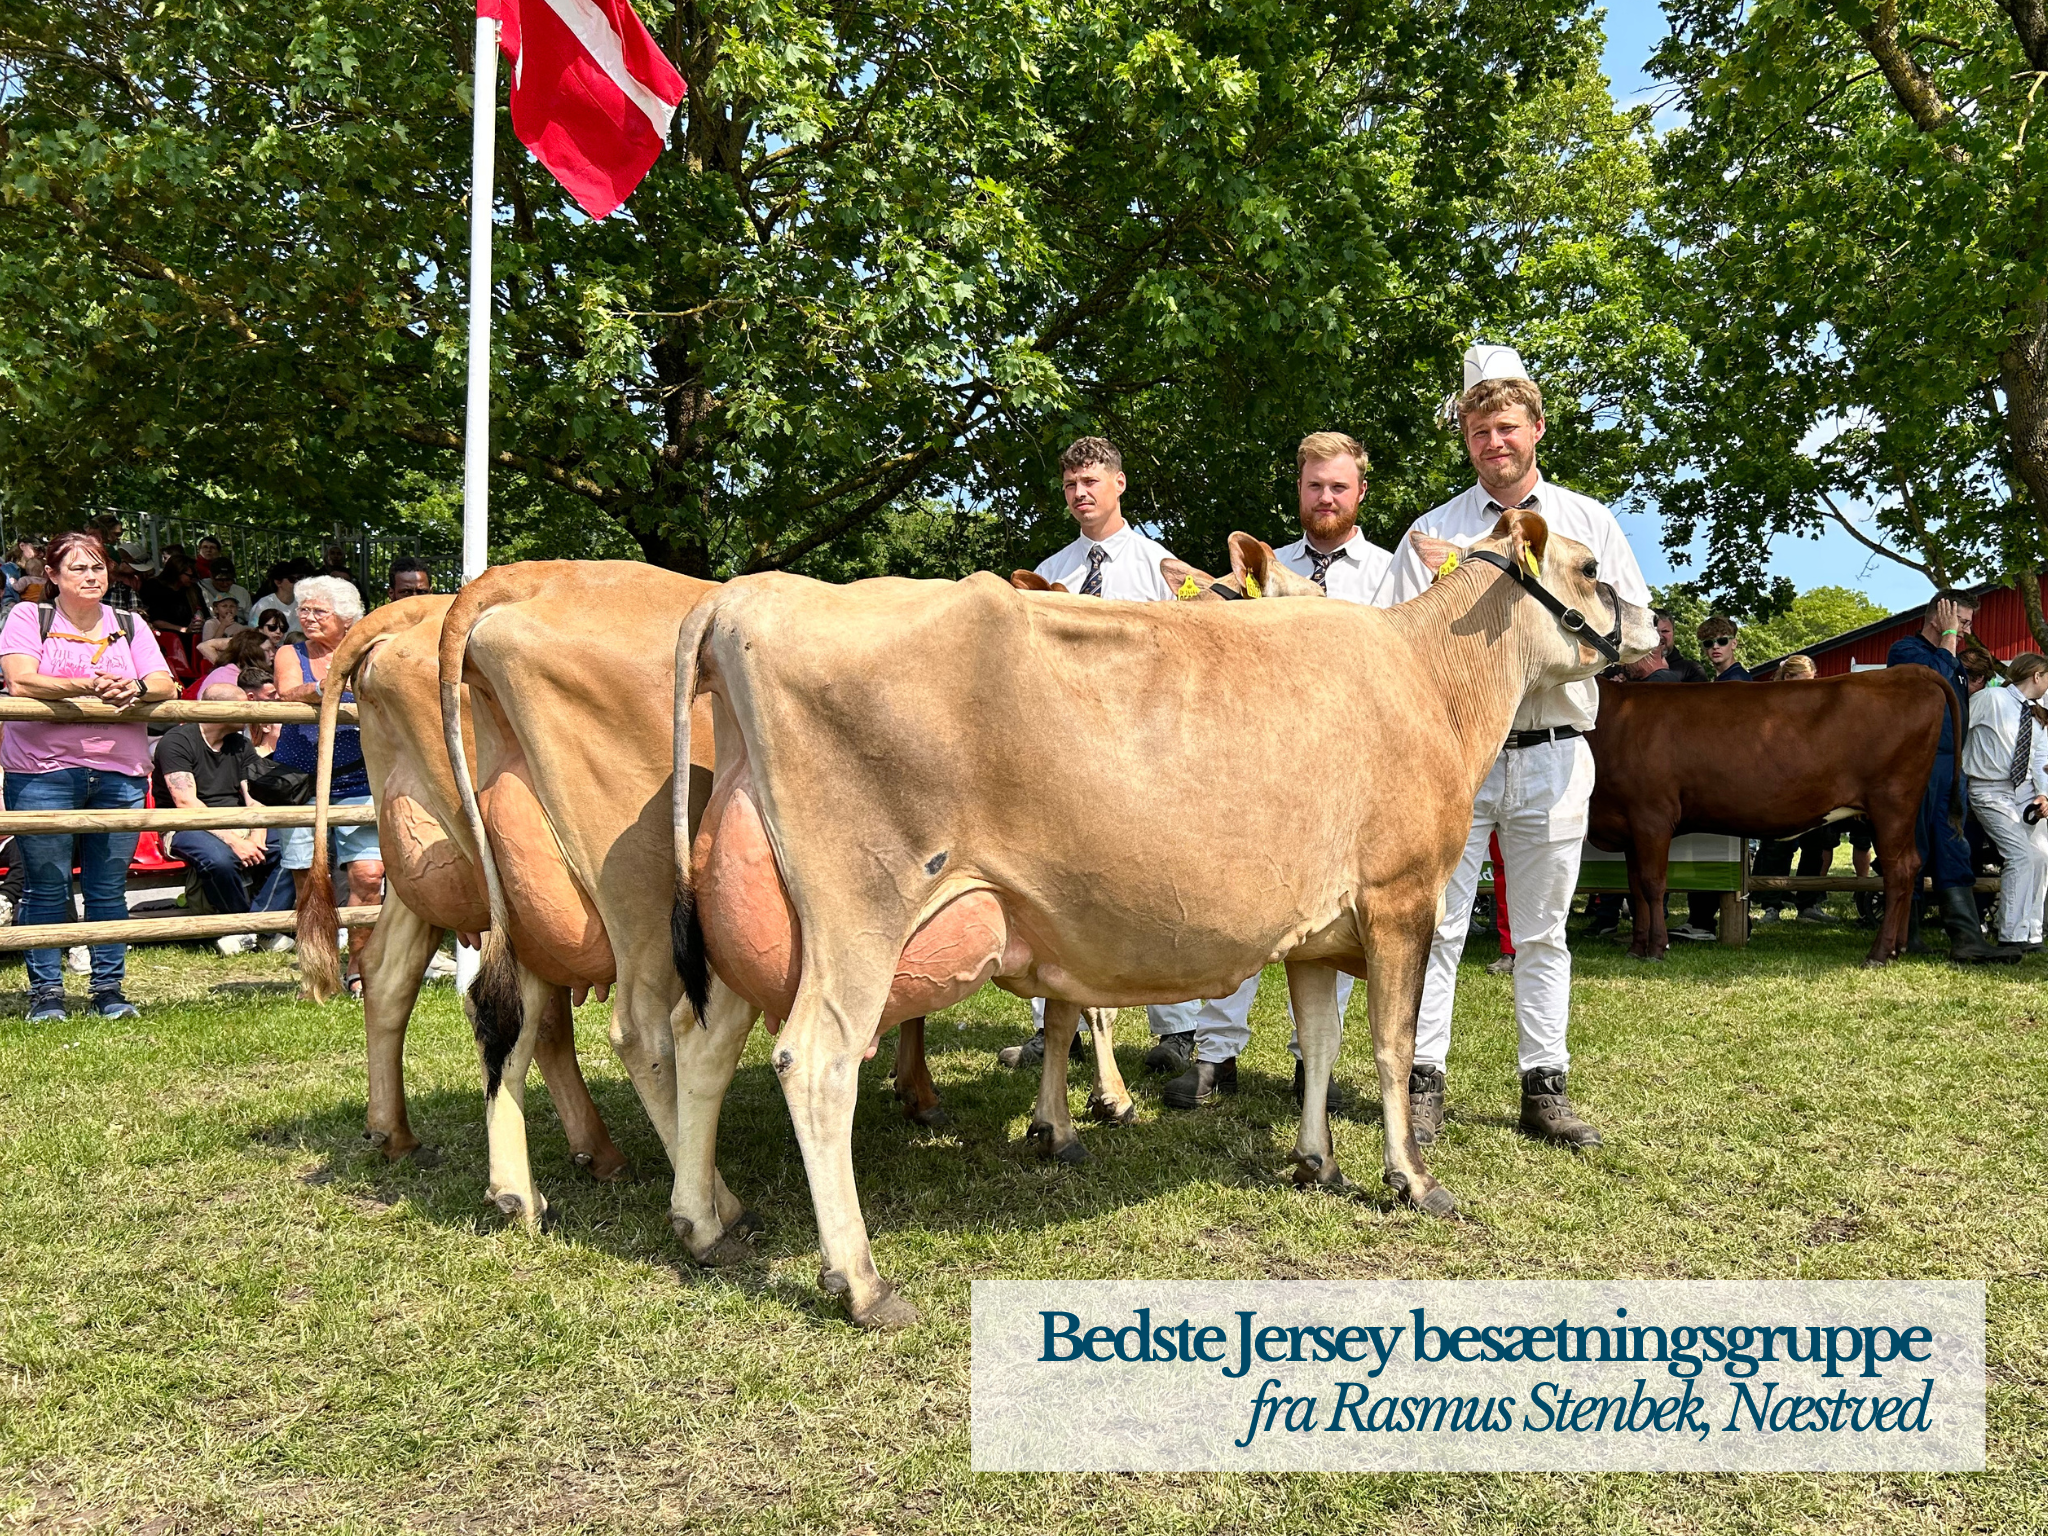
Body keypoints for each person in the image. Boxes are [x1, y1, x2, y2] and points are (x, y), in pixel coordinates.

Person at [1380, 344, 1650, 1151]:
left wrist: (1485, 580)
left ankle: (1545, 1086)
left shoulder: (1588, 521)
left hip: (1558, 745)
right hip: (1458, 760)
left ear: (1536, 427)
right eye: (1477, 430)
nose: (1492, 443)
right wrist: (1446, 577)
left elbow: (1633, 633)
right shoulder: (1430, 532)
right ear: (1464, 438)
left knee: (1542, 931)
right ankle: (1423, 1081)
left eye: (1505, 427)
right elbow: (1393, 651)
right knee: (1440, 925)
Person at [1166, 432, 1395, 1109]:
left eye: (1339, 486)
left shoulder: (1389, 574)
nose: (1325, 497)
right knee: (1241, 908)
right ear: (1300, 490)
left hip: (1349, 771)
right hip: (1264, 768)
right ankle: (1215, 1056)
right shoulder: (1258, 571)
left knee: (1338, 916)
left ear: (1359, 493)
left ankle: (1311, 1062)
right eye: (1314, 485)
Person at [997, 437, 1202, 1072]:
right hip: (1070, 745)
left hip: (1147, 743)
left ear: (1118, 485)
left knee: (1166, 880)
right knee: (1057, 880)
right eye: (1070, 485)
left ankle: (1176, 1028)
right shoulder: (1044, 572)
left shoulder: (1161, 568)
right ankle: (1054, 1023)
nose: (1081, 493)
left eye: (1091, 481)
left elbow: (1192, 658)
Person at [0, 531, 177, 1021]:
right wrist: (91, 685)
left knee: (107, 887)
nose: (92, 575)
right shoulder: (27, 616)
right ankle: (46, 993)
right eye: (78, 568)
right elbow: (20, 678)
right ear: (52, 576)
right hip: (41, 772)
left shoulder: (130, 623)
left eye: (98, 566)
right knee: (45, 884)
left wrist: (136, 685)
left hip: (119, 771)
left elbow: (164, 682)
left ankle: (109, 989)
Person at [273, 576, 383, 996]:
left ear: (347, 619)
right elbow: (287, 692)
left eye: (320, 611)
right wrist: (326, 686)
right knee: (306, 878)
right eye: (304, 609)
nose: (308, 617)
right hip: (302, 779)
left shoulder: (367, 654)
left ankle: (359, 967)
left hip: (360, 776)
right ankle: (317, 972)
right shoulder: (291, 652)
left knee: (370, 875)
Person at [1888, 591, 2007, 962]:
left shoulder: (1953, 657)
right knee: (1915, 847)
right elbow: (1932, 683)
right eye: (1963, 622)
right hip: (1915, 766)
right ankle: (1906, 934)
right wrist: (1950, 636)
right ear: (1941, 615)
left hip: (1951, 768)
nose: (1967, 632)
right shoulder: (1906, 651)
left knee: (1955, 847)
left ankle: (1966, 939)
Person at [153, 684, 293, 955]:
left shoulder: (240, 743)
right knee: (219, 859)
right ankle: (242, 926)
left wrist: (256, 831)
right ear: (219, 709)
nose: (251, 712)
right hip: (186, 824)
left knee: (296, 847)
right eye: (244, 706)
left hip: (239, 820)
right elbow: (186, 803)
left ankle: (256, 926)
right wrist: (233, 839)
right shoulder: (178, 741)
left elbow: (254, 794)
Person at [1962, 653, 2048, 954]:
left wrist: (2043, 794)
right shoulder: (1991, 699)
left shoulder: (2035, 715)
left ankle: (2029, 931)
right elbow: (1958, 729)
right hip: (1988, 788)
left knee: (2039, 856)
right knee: (2020, 856)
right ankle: (2010, 935)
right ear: (2036, 675)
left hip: (2021, 791)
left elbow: (2037, 759)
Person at [1749, 654, 1839, 923]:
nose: (1807, 688)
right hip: (1781, 783)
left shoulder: (1822, 705)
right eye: (1801, 681)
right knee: (1778, 845)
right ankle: (1771, 904)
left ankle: (1807, 903)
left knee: (1816, 845)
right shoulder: (1771, 705)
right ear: (1787, 678)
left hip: (1816, 783)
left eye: (1810, 682)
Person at [1654, 610, 1710, 682]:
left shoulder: (1692, 671)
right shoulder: (1637, 671)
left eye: (1665, 631)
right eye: (1654, 631)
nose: (1659, 636)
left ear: (1674, 633)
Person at [251, 562, 300, 636]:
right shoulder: (263, 605)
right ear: (278, 582)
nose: (297, 582)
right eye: (292, 579)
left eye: (300, 578)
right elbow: (254, 633)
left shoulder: (303, 603)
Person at [197, 555, 251, 622]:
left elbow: (250, 619)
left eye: (229, 580)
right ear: (210, 575)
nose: (225, 584)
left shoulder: (242, 592)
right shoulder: (201, 588)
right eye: (220, 580)